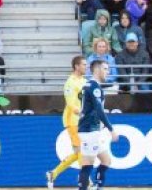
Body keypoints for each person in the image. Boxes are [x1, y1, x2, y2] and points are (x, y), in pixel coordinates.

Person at [45, 55, 89, 190]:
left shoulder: (84, 81)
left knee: (79, 152)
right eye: (84, 64)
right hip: (73, 120)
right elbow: (70, 103)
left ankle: (53, 173)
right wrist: (80, 113)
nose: (86, 67)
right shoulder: (70, 83)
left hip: (83, 120)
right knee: (82, 150)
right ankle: (86, 182)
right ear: (76, 66)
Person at [75, 58, 115, 190]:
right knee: (88, 163)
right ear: (97, 70)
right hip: (89, 129)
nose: (108, 72)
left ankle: (98, 187)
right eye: (105, 69)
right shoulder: (94, 87)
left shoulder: (87, 85)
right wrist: (111, 129)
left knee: (106, 160)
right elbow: (99, 110)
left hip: (90, 128)